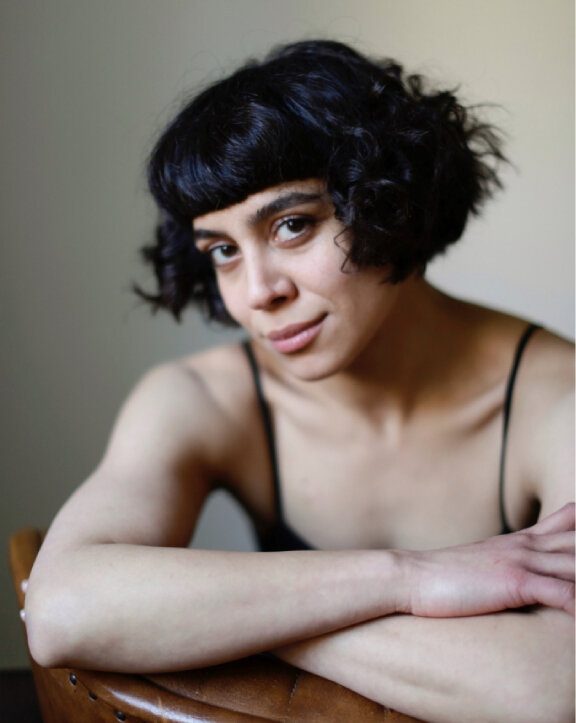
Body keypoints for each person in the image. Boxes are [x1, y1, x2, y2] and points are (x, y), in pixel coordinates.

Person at [25, 40, 574, 722]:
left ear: (393, 200)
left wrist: (223, 618)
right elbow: (62, 609)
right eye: (223, 250)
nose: (258, 291)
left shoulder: (557, 396)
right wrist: (408, 579)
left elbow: (554, 688)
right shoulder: (204, 397)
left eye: (291, 225)